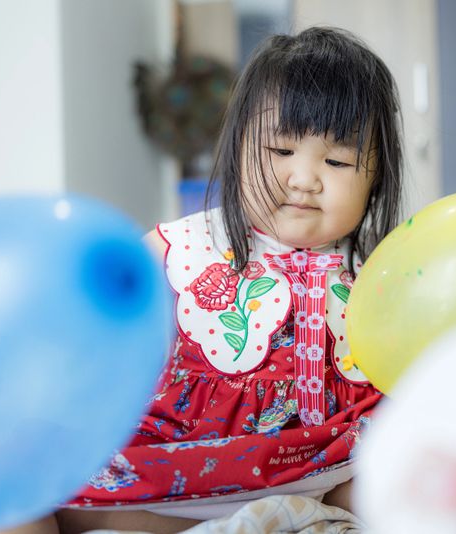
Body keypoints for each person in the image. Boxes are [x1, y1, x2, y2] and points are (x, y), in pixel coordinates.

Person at [49, 26, 403, 533]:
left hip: (323, 469)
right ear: (238, 147)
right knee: (28, 501)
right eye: (281, 151)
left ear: (376, 179)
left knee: (401, 489)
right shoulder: (184, 248)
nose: (304, 178)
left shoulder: (379, 272)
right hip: (175, 473)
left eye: (338, 160)